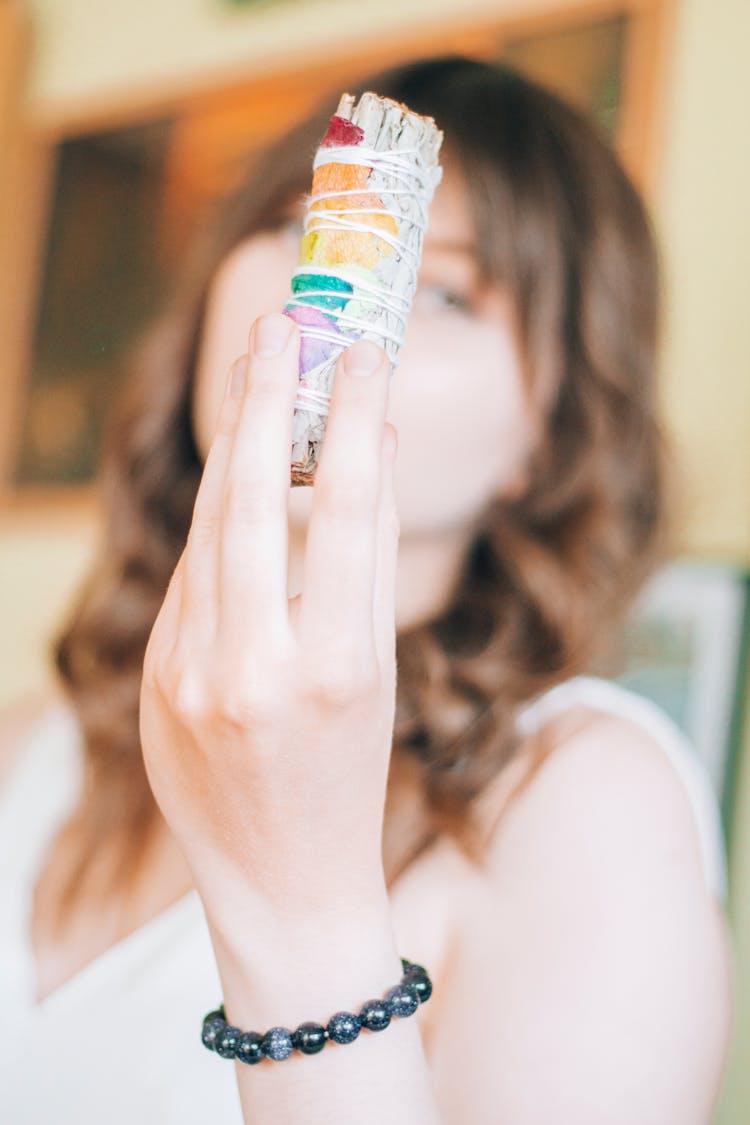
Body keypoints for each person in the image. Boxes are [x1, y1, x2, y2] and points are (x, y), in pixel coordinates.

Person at [0, 55, 733, 1124]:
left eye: (442, 290)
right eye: (309, 228)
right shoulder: (30, 747)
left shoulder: (583, 804)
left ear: (546, 434)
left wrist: (299, 906)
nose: (332, 313)